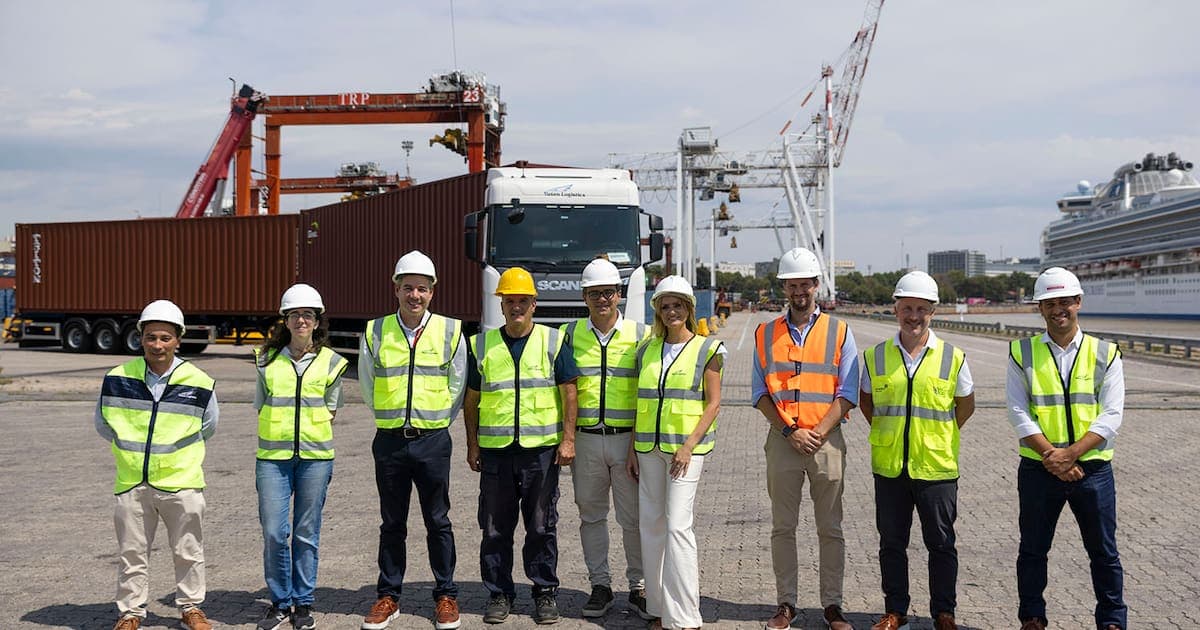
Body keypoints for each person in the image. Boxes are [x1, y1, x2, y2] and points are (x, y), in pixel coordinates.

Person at [1007, 267, 1126, 630]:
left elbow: (1111, 414)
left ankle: (1111, 621)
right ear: (1040, 309)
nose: (1058, 310)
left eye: (1065, 302)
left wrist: (1070, 454)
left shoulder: (1105, 352)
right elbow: (1017, 410)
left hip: (1092, 470)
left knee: (1104, 552)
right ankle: (1032, 618)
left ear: (1078, 302)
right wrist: (1053, 456)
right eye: (1049, 303)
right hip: (1039, 468)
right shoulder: (1021, 351)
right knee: (1032, 551)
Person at [463, 266, 580, 625]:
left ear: (534, 303)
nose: (516, 307)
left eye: (522, 301)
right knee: (496, 528)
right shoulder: (481, 344)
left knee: (542, 526)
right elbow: (471, 399)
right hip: (497, 453)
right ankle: (499, 593)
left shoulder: (553, 340)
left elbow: (569, 392)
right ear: (501, 304)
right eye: (509, 301)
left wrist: (568, 439)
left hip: (540, 452)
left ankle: (544, 592)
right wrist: (472, 444)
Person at [859, 272, 975, 630]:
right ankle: (896, 611)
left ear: (933, 312)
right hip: (890, 467)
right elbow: (867, 402)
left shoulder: (953, 357)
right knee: (892, 544)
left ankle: (944, 613)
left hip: (936, 469)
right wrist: (890, 433)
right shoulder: (876, 356)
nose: (913, 316)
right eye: (906, 308)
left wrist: (937, 437)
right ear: (895, 309)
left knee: (941, 544)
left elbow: (965, 406)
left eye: (921, 309)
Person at [752, 247, 859, 630]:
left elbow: (848, 392)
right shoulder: (765, 333)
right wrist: (790, 431)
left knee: (830, 528)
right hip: (783, 440)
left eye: (805, 284)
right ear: (785, 287)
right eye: (792, 284)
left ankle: (833, 605)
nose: (800, 291)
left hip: (826, 441)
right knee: (783, 527)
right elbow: (759, 394)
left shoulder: (840, 331)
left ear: (817, 285)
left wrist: (816, 432)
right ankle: (786, 604)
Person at [96, 299, 218, 630]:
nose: (158, 345)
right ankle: (131, 612)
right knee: (132, 553)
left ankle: (191, 607)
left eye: (165, 338)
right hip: (133, 482)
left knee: (188, 550)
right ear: (141, 338)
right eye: (151, 337)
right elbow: (103, 424)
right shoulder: (118, 378)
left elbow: (209, 426)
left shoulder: (199, 381)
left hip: (182, 483)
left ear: (178, 339)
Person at [359, 251, 466, 630]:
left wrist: (434, 422)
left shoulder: (451, 331)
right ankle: (388, 596)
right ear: (396, 289)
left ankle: (446, 595)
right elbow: (369, 386)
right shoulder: (375, 331)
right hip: (389, 441)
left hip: (433, 440)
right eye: (408, 288)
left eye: (422, 288)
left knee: (438, 520)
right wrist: (393, 418)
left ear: (432, 292)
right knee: (392, 523)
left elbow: (457, 385)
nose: (414, 295)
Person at [626, 275, 724, 630]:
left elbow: (713, 404)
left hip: (685, 452)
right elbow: (642, 402)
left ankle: (684, 618)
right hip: (648, 450)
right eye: (665, 306)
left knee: (678, 527)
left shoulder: (707, 349)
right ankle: (659, 608)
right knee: (650, 526)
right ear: (658, 310)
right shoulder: (646, 350)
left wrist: (688, 446)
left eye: (677, 305)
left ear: (689, 308)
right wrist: (634, 449)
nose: (671, 312)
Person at [253, 284, 349, 630]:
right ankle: (280, 602)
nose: (301, 320)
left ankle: (303, 602)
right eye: (295, 314)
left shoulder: (332, 363)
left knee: (307, 531)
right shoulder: (265, 361)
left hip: (315, 459)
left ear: (317, 320)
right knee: (275, 533)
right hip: (272, 460)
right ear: (285, 320)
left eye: (308, 314)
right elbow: (261, 405)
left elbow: (331, 411)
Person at [561, 258, 651, 619]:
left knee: (632, 519)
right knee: (591, 515)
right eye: (595, 293)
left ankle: (638, 587)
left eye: (609, 292)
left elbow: (648, 395)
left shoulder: (641, 335)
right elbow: (564, 391)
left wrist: (636, 447)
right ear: (584, 296)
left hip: (625, 441)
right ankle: (600, 585)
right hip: (585, 440)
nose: (602, 299)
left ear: (620, 295)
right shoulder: (570, 334)